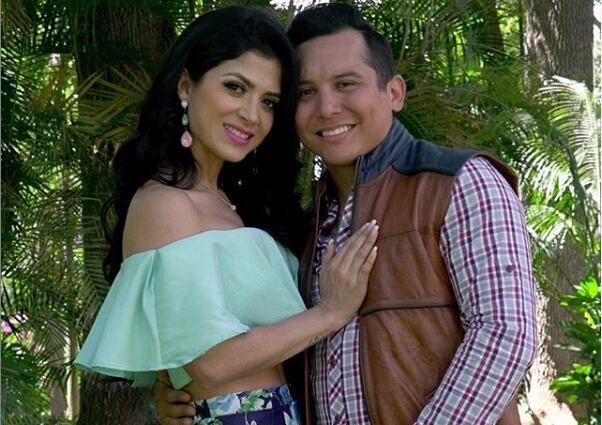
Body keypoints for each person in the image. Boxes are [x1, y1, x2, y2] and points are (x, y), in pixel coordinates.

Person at [154, 3, 538, 425]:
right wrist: (187, 393)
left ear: (394, 93)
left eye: (345, 84)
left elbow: (505, 334)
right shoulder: (305, 226)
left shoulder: (459, 183)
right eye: (305, 92)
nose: (327, 107)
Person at [74, 6, 380, 425]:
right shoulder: (164, 203)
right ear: (186, 85)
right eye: (236, 88)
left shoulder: (232, 202)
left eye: (268, 101)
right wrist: (330, 313)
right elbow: (210, 363)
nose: (252, 115)